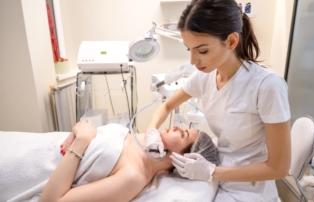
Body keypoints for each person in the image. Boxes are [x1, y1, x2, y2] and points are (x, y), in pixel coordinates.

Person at [143, 0, 291, 201]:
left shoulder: (267, 85)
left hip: (251, 190)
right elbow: (167, 105)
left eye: (202, 51)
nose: (193, 61)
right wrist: (151, 131)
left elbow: (279, 168)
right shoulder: (204, 77)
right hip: (217, 180)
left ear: (231, 42)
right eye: (189, 49)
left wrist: (212, 172)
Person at [0, 121, 204, 202]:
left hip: (21, 169)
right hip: (23, 143)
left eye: (184, 133)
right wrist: (82, 126)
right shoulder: (140, 139)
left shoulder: (135, 176)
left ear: (181, 160)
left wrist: (81, 141)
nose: (176, 126)